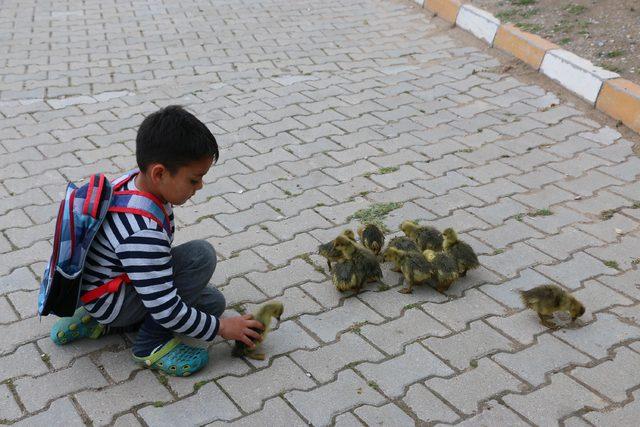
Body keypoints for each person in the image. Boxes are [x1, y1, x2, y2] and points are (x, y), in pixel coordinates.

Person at [49, 105, 263, 377]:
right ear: (159, 173)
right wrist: (222, 328)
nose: (199, 187)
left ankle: (101, 323)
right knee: (202, 257)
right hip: (114, 301)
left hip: (102, 292)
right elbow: (167, 309)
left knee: (212, 303)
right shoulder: (142, 232)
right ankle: (150, 344)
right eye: (194, 179)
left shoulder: (131, 182)